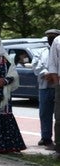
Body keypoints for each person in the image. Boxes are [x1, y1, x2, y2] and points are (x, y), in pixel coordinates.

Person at [32, 29, 60, 147]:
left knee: (58, 115)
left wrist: (54, 74)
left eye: (53, 36)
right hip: (45, 86)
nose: (51, 39)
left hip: (57, 85)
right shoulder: (40, 52)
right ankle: (46, 137)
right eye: (49, 36)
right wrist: (46, 73)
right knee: (44, 113)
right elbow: (36, 65)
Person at [46, 30, 60, 159]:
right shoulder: (57, 41)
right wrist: (57, 84)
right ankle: (59, 149)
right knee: (59, 117)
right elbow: (53, 65)